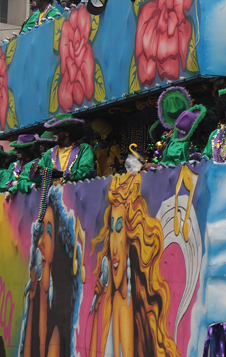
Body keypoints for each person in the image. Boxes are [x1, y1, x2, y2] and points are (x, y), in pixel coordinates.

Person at [88, 172, 179, 357]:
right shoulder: (112, 301)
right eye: (111, 229)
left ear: (130, 237)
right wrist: (97, 305)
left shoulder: (128, 306)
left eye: (119, 228)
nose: (114, 246)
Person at [21, 187, 81, 357]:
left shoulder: (57, 315)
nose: (41, 242)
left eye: (48, 233)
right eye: (41, 232)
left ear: (57, 246)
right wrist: (32, 299)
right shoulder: (36, 297)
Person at [36, 113, 95, 182]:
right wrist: (35, 171)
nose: (53, 134)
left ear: (67, 133)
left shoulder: (84, 149)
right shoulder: (49, 153)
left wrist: (63, 174)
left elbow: (86, 170)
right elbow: (39, 177)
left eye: (56, 131)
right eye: (53, 131)